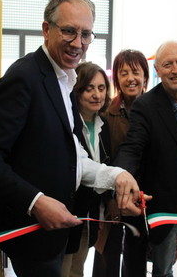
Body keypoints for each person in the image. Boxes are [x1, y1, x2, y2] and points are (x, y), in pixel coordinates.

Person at [0, 0, 146, 277]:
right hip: (33, 238)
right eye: (69, 31)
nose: (78, 43)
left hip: (61, 235)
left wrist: (116, 176)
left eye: (86, 34)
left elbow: (73, 156)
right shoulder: (24, 77)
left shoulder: (65, 79)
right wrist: (36, 202)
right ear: (46, 30)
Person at [112, 41, 177, 277]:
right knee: (162, 267)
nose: (175, 70)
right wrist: (121, 174)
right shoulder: (146, 105)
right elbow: (132, 147)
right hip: (166, 200)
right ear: (157, 71)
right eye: (167, 65)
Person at [92, 49, 149, 277]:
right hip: (112, 195)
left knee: (137, 253)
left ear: (145, 75)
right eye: (123, 73)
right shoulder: (106, 112)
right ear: (116, 78)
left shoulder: (155, 109)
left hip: (143, 196)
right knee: (106, 253)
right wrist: (109, 197)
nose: (130, 78)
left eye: (135, 72)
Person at [61, 62, 112, 277]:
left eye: (101, 88)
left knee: (77, 270)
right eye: (89, 88)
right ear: (77, 90)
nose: (96, 95)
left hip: (89, 217)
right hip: (66, 214)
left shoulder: (104, 125)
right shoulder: (68, 124)